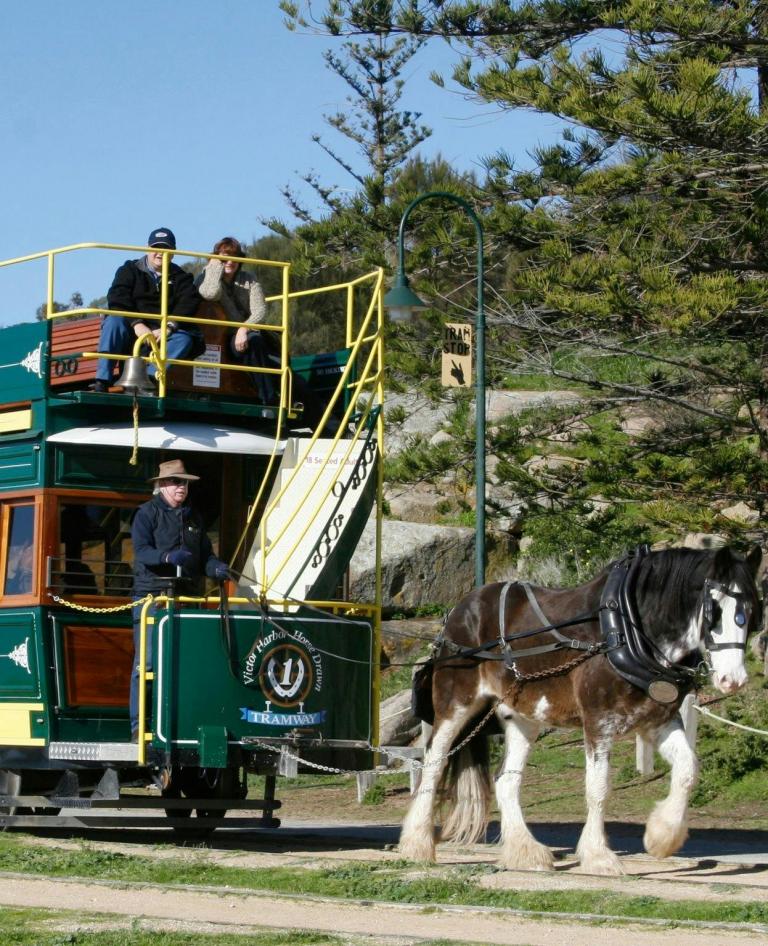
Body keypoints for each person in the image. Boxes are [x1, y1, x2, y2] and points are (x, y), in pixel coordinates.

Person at [129, 458, 229, 739]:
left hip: (186, 599)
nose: (181, 487)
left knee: (185, 663)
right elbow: (141, 551)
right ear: (161, 486)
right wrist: (166, 557)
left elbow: (204, 556)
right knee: (146, 664)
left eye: (184, 482)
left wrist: (217, 567)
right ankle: (139, 727)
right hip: (152, 598)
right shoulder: (146, 514)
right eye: (175, 482)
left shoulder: (194, 518)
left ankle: (180, 723)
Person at [91, 228, 204, 393]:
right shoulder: (129, 269)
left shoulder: (181, 278)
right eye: (156, 247)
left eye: (166, 249)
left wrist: (168, 327)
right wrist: (137, 324)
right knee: (113, 321)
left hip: (163, 334)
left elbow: (189, 303)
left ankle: (149, 379)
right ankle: (102, 380)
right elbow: (117, 298)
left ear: (173, 252)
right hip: (132, 329)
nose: (160, 253)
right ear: (148, 248)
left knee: (184, 339)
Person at [195, 236, 278, 403]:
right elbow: (210, 294)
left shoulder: (249, 279)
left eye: (234, 257)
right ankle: (269, 398)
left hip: (243, 335)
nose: (230, 261)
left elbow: (260, 311)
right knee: (253, 343)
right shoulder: (208, 275)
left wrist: (243, 329)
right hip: (216, 338)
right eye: (225, 257)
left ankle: (268, 399)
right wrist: (213, 268)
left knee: (254, 341)